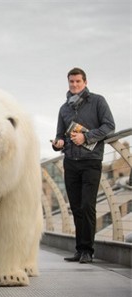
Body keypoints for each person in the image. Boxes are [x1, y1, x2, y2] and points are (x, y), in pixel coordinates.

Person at [52, 67, 115, 264]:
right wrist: (58, 143)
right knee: (76, 207)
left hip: (91, 161)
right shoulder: (64, 108)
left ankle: (88, 250)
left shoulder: (98, 101)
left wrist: (86, 137)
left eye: (78, 81)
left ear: (85, 82)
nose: (74, 85)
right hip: (70, 162)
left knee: (87, 206)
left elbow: (109, 126)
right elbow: (60, 135)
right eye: (71, 81)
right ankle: (79, 250)